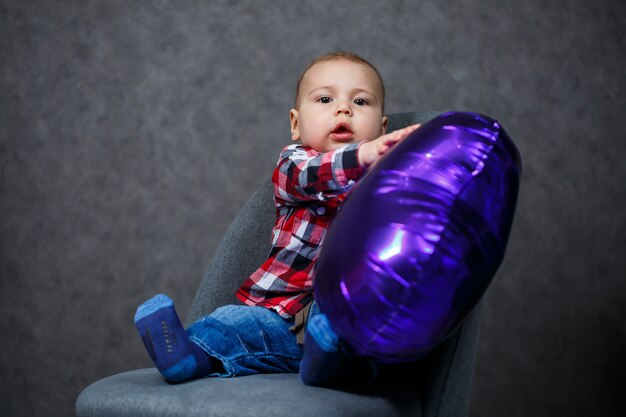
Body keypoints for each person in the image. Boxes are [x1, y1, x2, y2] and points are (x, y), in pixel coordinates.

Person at [134, 51, 420, 386]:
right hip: (280, 315)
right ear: (296, 124)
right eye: (326, 99)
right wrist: (363, 155)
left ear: (382, 127)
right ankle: (187, 355)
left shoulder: (390, 183)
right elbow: (313, 175)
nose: (344, 108)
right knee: (231, 324)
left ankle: (326, 362)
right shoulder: (295, 163)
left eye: (361, 101)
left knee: (361, 331)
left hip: (342, 310)